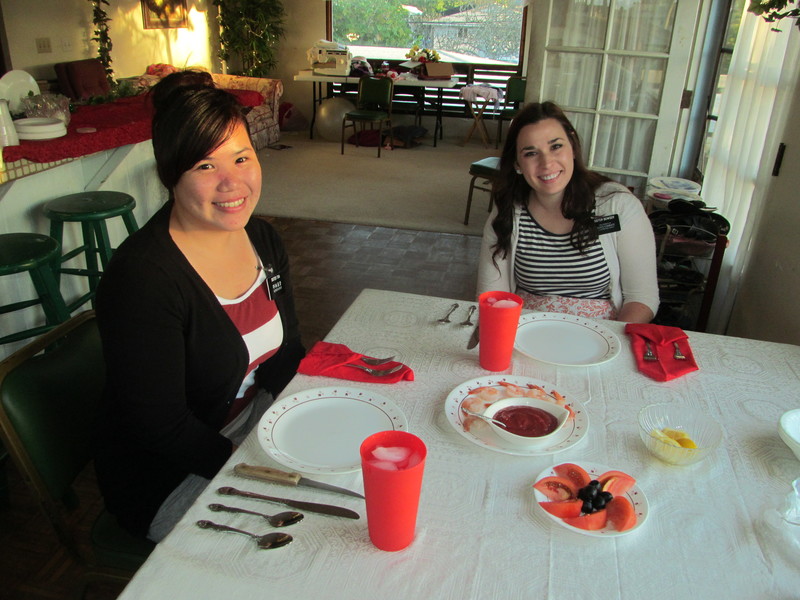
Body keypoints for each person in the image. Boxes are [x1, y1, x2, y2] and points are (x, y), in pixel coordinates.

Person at [94, 71, 305, 541]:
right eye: (205, 166)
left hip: (252, 423)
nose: (233, 183)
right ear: (171, 175)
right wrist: (252, 469)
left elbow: (287, 353)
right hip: (170, 472)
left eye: (241, 157)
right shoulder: (144, 280)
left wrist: (303, 419)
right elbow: (161, 426)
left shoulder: (263, 240)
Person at [477, 101, 659, 322]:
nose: (546, 163)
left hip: (602, 338)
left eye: (556, 146)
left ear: (572, 146)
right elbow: (494, 298)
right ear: (517, 163)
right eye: (531, 153)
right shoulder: (507, 211)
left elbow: (642, 297)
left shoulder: (617, 205)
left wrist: (612, 341)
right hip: (528, 334)